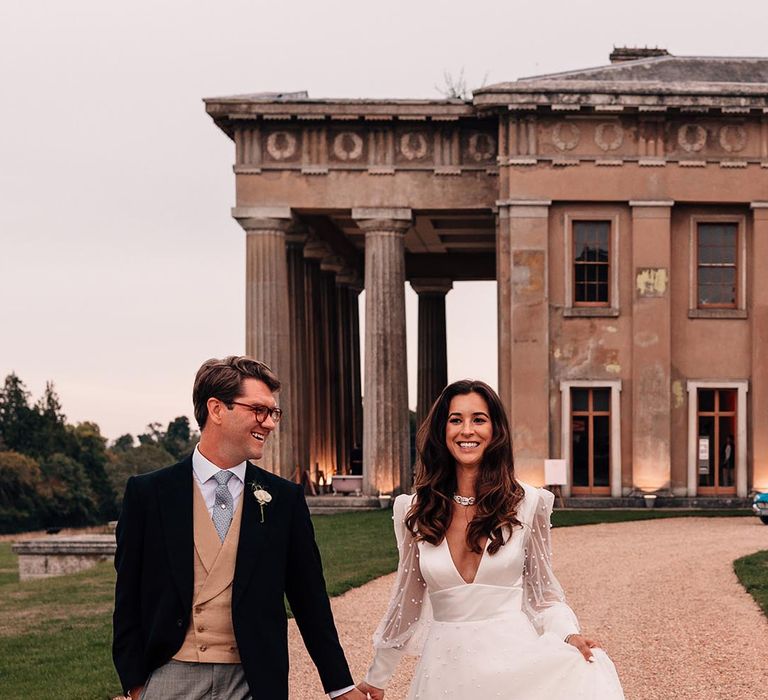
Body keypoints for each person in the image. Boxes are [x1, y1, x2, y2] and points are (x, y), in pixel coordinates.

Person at [112, 356, 366, 700]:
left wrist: (340, 686)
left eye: (273, 413)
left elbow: (310, 601)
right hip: (171, 677)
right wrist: (136, 685)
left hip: (253, 680)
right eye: (259, 410)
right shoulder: (148, 494)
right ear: (216, 409)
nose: (270, 423)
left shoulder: (284, 498)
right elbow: (127, 598)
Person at [357, 380, 625, 699]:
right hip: (443, 673)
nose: (467, 430)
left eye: (479, 419)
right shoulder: (413, 510)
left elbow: (543, 595)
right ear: (442, 430)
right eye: (455, 420)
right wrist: (377, 677)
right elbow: (406, 604)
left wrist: (569, 634)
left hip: (515, 666)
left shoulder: (529, 503)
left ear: (495, 430)